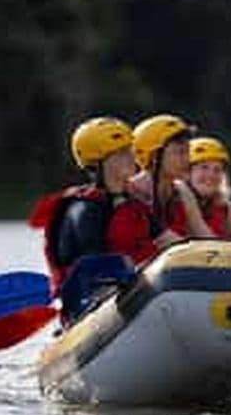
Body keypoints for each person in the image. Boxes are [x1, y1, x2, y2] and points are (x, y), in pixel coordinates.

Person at [29, 116, 178, 307]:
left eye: (130, 150)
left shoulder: (134, 205)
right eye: (121, 153)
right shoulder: (84, 210)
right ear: (100, 163)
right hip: (88, 305)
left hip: (135, 292)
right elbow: (94, 268)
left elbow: (173, 242)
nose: (132, 157)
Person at [131, 114, 214, 240]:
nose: (188, 159)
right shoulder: (132, 191)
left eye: (187, 151)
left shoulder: (181, 191)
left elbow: (206, 237)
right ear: (154, 157)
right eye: (180, 152)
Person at [188, 136, 231, 239]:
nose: (211, 175)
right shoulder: (173, 206)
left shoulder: (227, 211)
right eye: (204, 167)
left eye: (217, 170)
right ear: (187, 172)